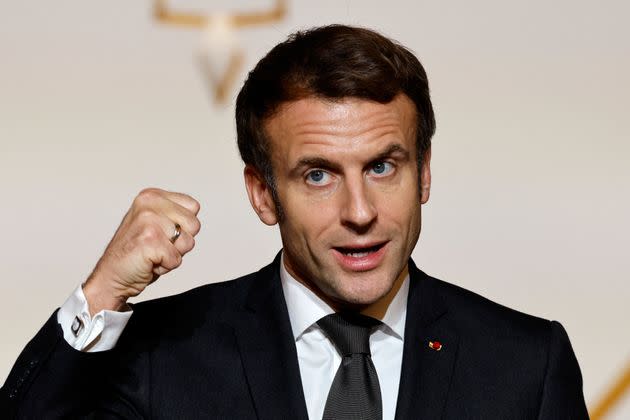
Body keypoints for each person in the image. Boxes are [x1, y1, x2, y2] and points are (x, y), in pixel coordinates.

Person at [1, 24, 588, 419]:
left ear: (425, 173)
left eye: (383, 166)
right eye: (317, 175)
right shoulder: (162, 357)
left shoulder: (526, 365)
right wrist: (101, 294)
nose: (360, 213)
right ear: (261, 194)